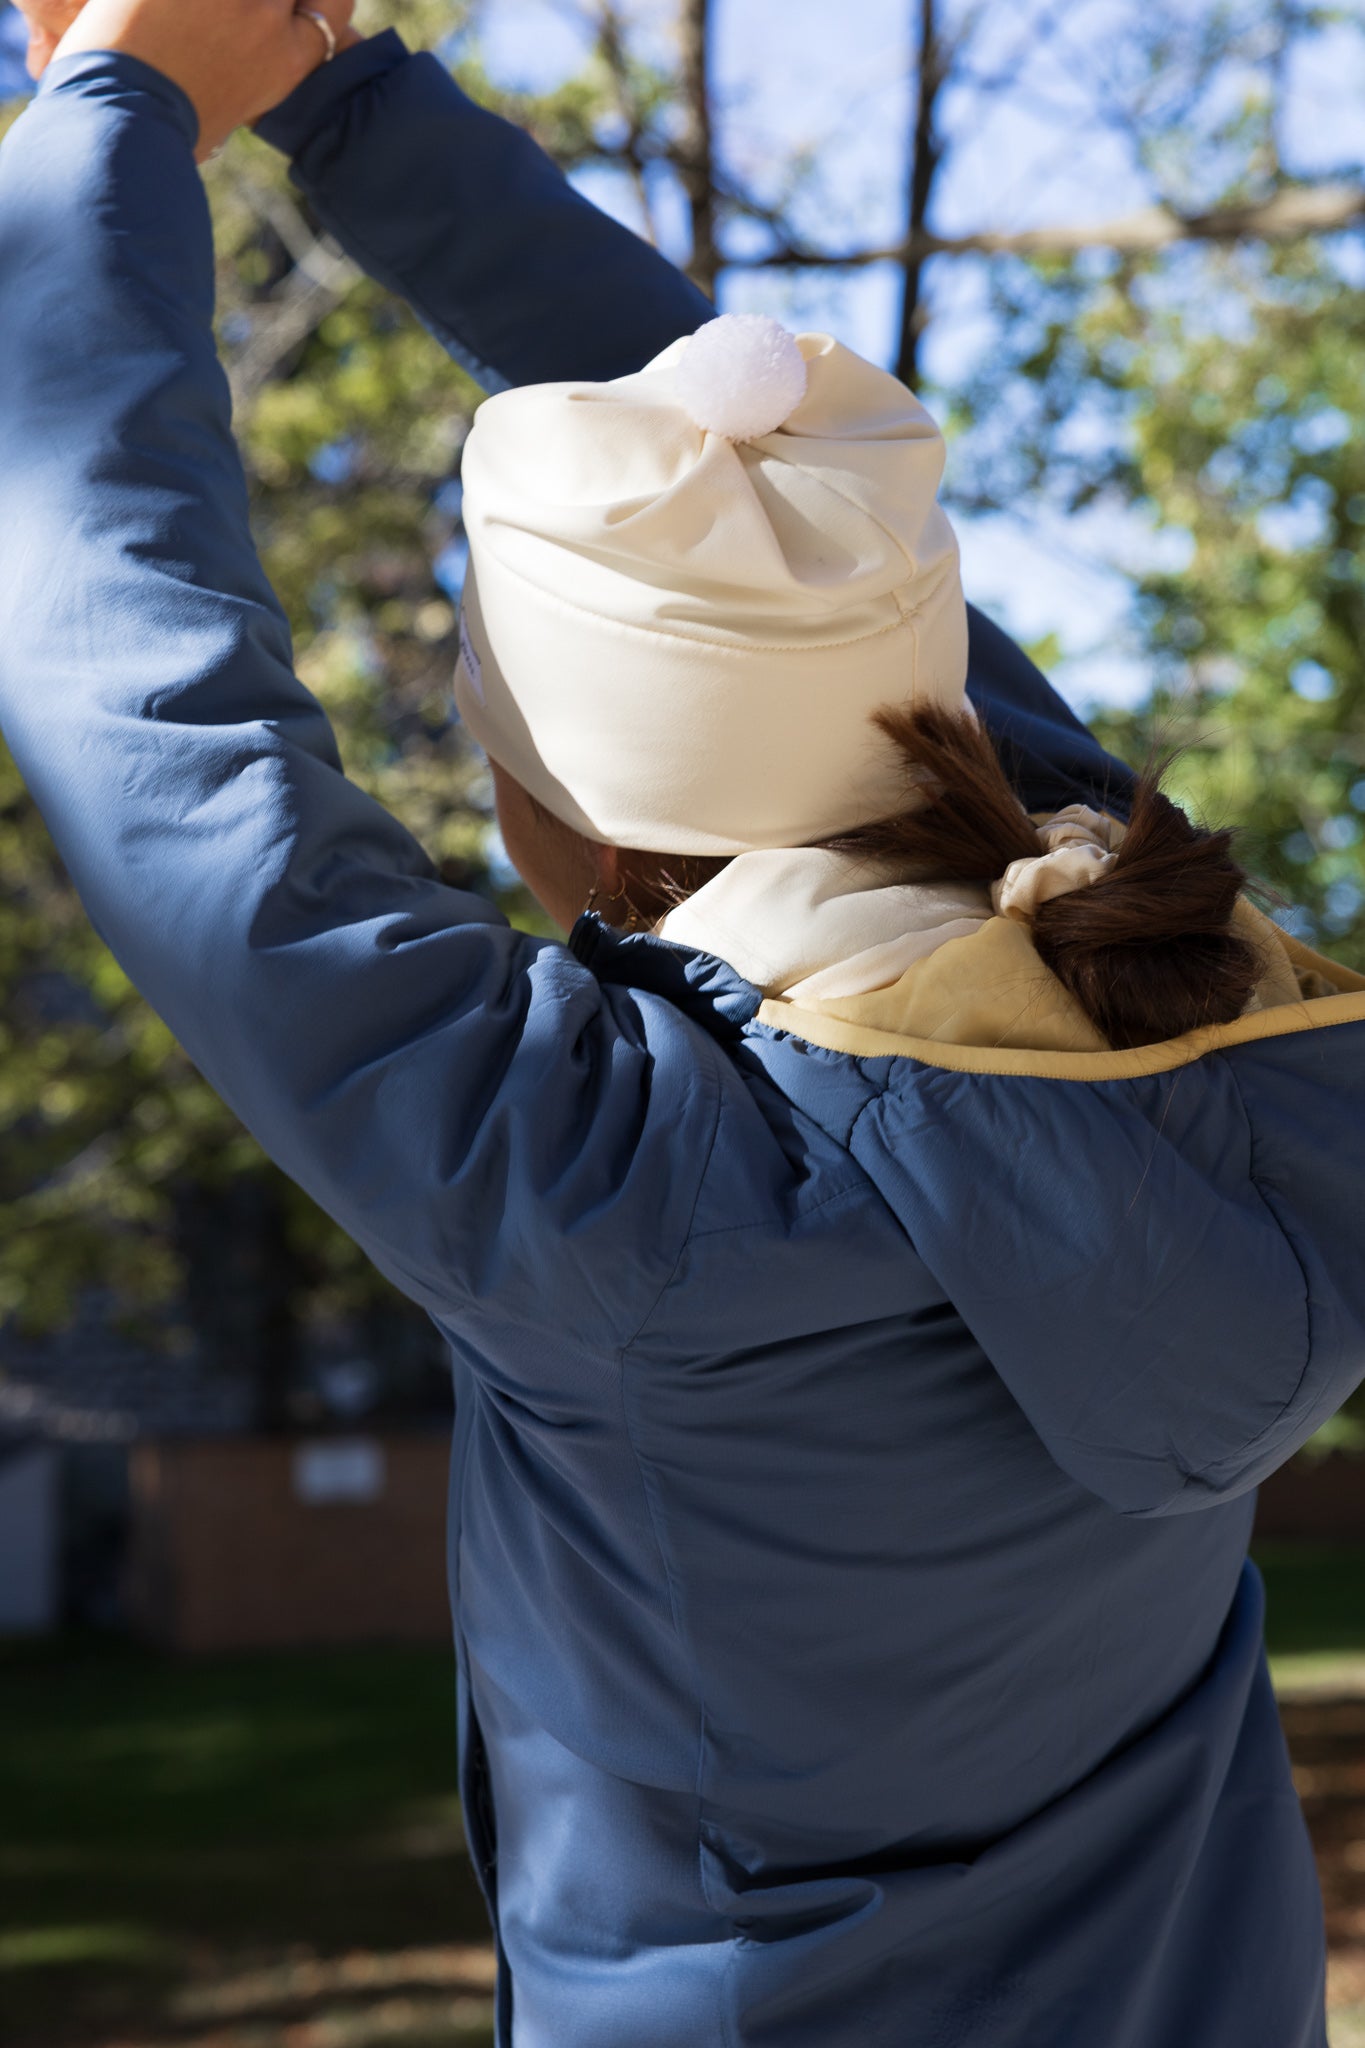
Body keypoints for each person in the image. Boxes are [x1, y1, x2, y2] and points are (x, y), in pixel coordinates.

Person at [2, 6, 1364, 2044]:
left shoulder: (614, 1182)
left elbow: (139, 681)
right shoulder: (1190, 987)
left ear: (555, 801)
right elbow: (787, 545)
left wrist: (134, 94)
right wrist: (325, 97)